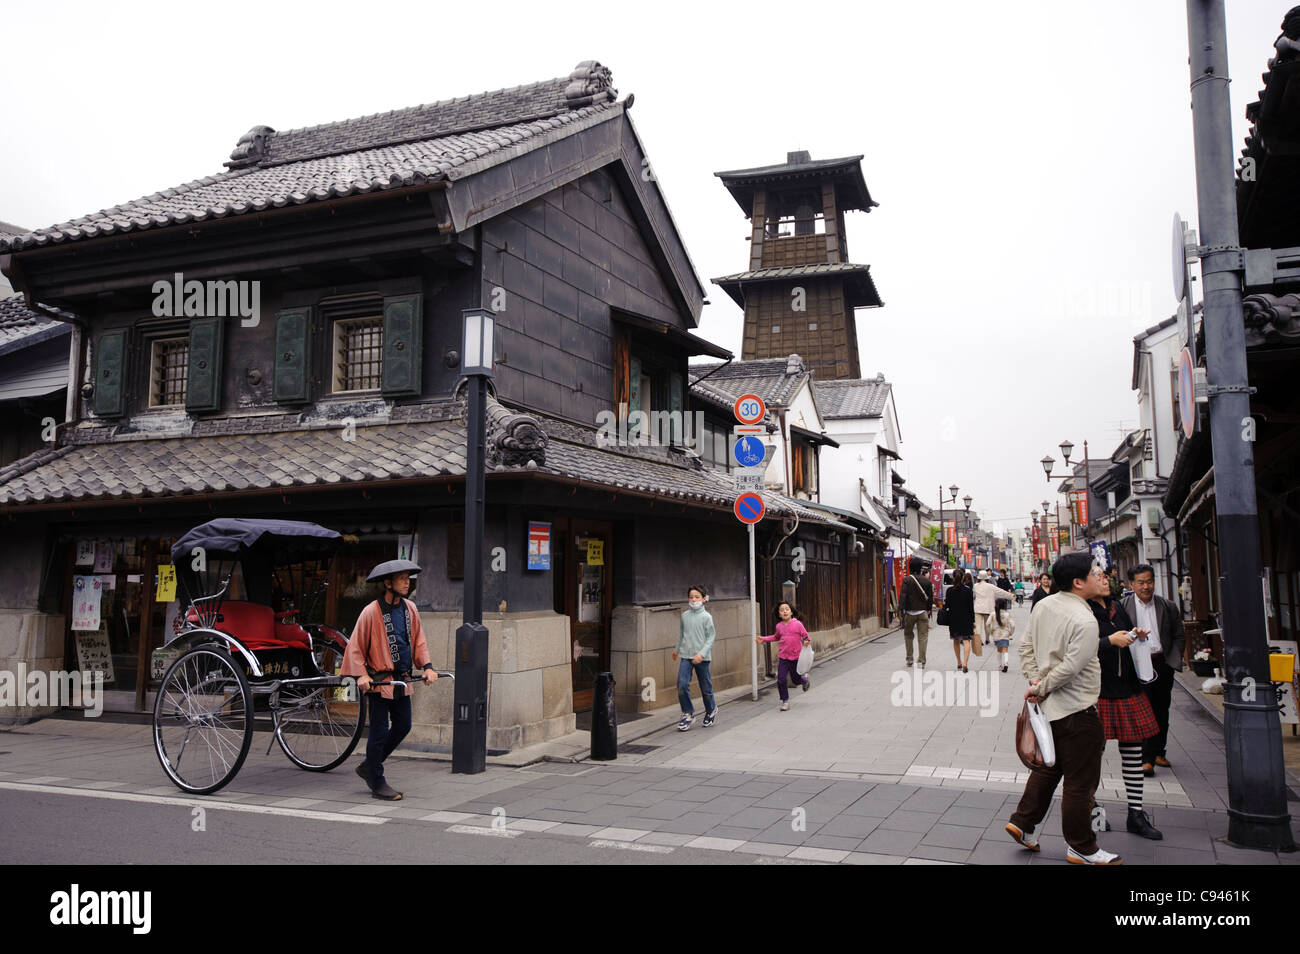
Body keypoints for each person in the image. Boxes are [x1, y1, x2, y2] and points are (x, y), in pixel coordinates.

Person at [1005, 552, 1121, 865]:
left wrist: (1035, 680)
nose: (1101, 576)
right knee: (1080, 784)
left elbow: (1025, 647)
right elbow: (1071, 667)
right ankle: (1082, 846)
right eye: (1095, 572)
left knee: (1050, 768)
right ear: (1079, 582)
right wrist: (1040, 686)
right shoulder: (1085, 620)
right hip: (1077, 710)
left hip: (1049, 709)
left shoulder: (1044, 605)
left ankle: (1024, 822)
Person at [342, 559, 437, 801]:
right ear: (388, 583)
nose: (407, 582)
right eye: (402, 578)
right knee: (379, 731)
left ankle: (369, 765)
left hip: (401, 682)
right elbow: (355, 648)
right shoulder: (371, 612)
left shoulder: (410, 609)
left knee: (403, 725)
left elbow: (419, 641)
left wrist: (427, 666)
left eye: (408, 577)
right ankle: (376, 778)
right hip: (378, 683)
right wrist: (362, 675)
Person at [1088, 582, 1163, 840]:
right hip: (1097, 690)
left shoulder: (1117, 607)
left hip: (1127, 687)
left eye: (1104, 576)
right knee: (1091, 755)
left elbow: (1128, 637)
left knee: (1133, 750)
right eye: (1096, 576)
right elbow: (1077, 649)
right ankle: (1092, 809)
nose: (1104, 580)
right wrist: (1109, 641)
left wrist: (1137, 636)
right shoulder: (1082, 611)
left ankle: (1136, 813)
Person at [1121, 564, 1185, 776]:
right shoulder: (1123, 606)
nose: (1146, 586)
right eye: (1141, 582)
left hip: (1161, 663)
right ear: (1132, 584)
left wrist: (1173, 659)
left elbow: (1178, 634)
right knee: (1143, 708)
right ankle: (1146, 758)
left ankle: (1159, 751)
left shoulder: (1167, 606)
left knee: (1161, 708)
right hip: (1138, 664)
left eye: (1149, 581)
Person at [673, 585, 716, 730]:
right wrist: (676, 649)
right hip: (686, 655)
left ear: (704, 599)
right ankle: (688, 713)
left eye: (697, 597)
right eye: (691, 597)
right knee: (682, 684)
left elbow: (711, 637)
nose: (693, 599)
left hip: (702, 658)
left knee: (705, 687)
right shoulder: (684, 616)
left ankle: (711, 710)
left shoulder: (707, 617)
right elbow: (681, 634)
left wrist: (701, 654)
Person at [756, 601, 811, 711]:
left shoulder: (798, 624)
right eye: (782, 610)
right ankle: (785, 701)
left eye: (787, 609)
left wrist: (806, 641)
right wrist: (764, 639)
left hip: (796, 657)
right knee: (781, 680)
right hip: (783, 657)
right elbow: (776, 637)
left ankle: (804, 680)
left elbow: (806, 636)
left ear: (791, 612)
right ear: (779, 614)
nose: (785, 611)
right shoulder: (779, 626)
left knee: (795, 680)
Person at [899, 557, 933, 669]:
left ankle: (909, 659)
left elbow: (903, 596)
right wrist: (927, 611)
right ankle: (921, 661)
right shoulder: (927, 581)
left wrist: (900, 610)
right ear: (920, 568)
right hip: (923, 612)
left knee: (908, 635)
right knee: (923, 637)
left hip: (910, 612)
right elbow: (930, 599)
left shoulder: (907, 580)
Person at [944, 570, 976, 672]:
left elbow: (947, 606)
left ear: (953, 578)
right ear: (963, 578)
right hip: (966, 619)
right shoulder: (968, 590)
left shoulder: (949, 591)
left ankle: (959, 662)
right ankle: (965, 663)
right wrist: (973, 620)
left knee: (956, 641)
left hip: (954, 619)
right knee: (966, 641)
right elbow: (971, 607)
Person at [973, 569, 1005, 646]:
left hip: (978, 608)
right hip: (987, 608)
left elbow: (974, 596)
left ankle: (979, 640)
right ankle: (987, 639)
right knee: (987, 625)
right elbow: (1001, 592)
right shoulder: (991, 586)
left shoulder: (975, 586)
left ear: (979, 578)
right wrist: (1011, 596)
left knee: (978, 625)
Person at [988, 596, 1015, 673]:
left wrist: (991, 631)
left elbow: (987, 624)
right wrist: (1011, 632)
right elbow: (1013, 625)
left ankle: (1000, 665)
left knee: (999, 650)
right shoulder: (1007, 614)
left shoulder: (993, 614)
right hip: (1006, 634)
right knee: (1005, 649)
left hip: (996, 634)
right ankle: (1006, 663)